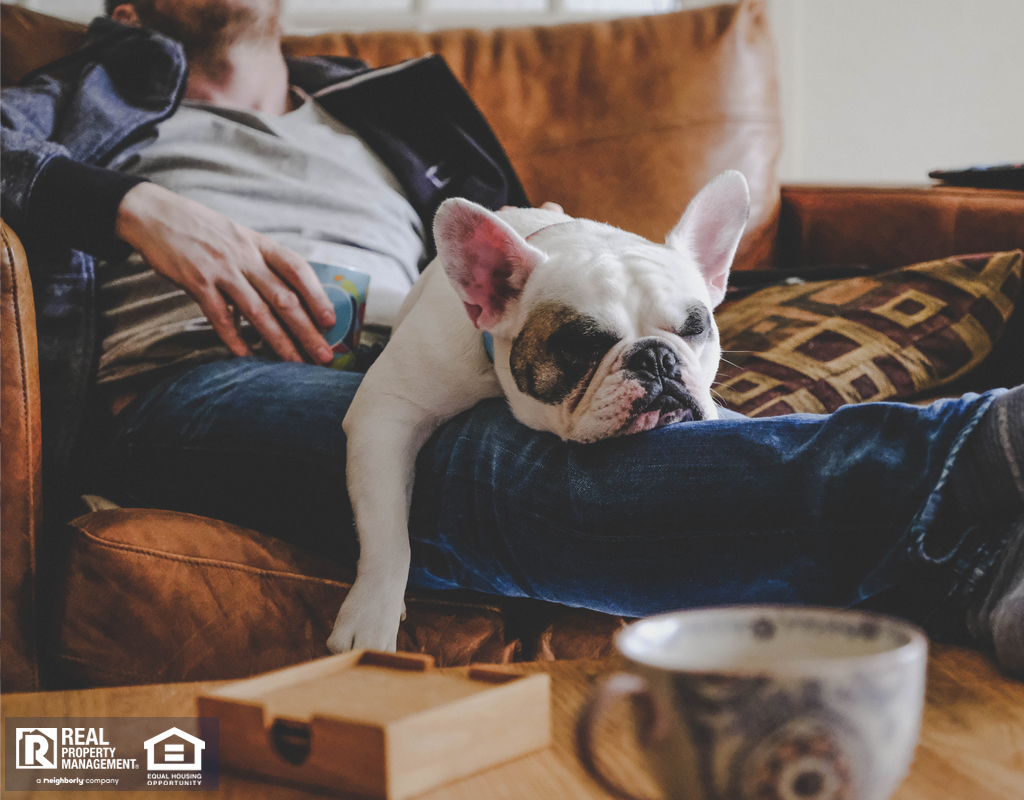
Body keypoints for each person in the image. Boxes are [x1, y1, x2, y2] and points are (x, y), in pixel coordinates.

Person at [2, 0, 1022, 675]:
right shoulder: (77, 101)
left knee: (572, 436)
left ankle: (975, 568)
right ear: (125, 9)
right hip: (194, 379)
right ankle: (986, 448)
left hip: (413, 349)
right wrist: (134, 205)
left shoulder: (386, 105)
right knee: (494, 466)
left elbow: (533, 295)